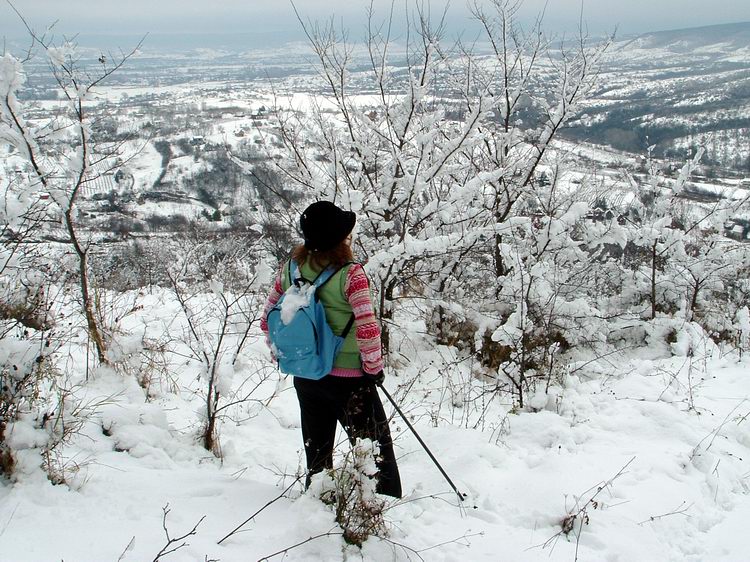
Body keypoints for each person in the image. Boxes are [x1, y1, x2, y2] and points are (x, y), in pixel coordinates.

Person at [260, 200, 403, 499]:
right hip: (349, 379)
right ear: (340, 238)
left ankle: (319, 503)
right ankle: (382, 508)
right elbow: (367, 328)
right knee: (375, 452)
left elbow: (268, 320)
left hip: (307, 375)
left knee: (318, 453)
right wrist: (373, 369)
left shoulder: (290, 269)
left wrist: (288, 355)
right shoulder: (352, 274)